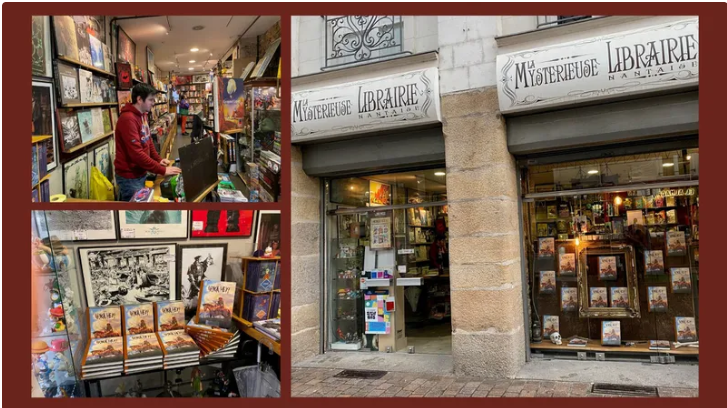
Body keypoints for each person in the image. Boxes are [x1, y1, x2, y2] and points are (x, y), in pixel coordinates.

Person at [114, 83, 181, 201]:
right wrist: (162, 170)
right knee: (134, 215)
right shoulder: (128, 119)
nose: (153, 102)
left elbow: (148, 141)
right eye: (150, 99)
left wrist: (159, 159)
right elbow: (136, 154)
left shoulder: (143, 115)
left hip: (140, 173)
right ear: (139, 99)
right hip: (130, 178)